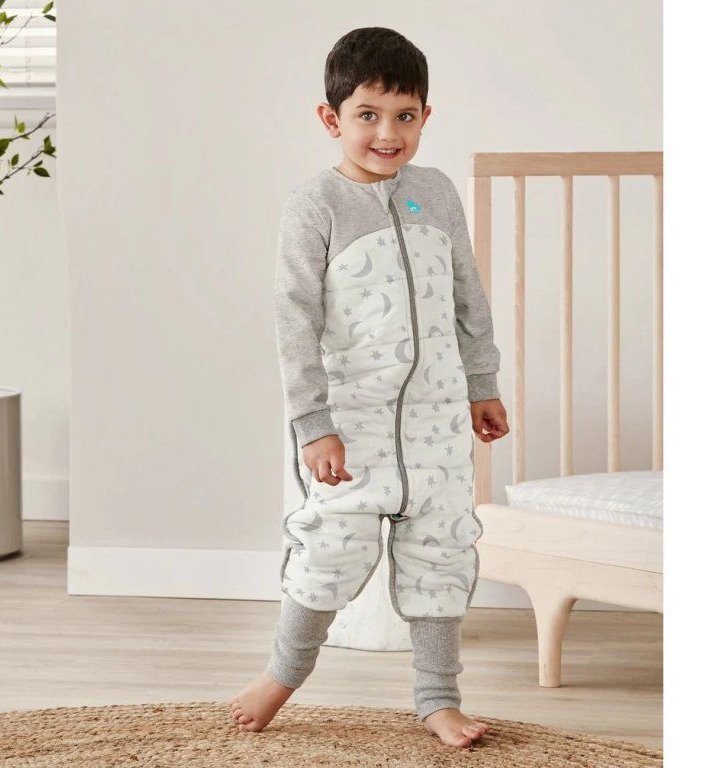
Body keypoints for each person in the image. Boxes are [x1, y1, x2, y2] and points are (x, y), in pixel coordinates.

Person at [230, 26, 509, 749]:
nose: (388, 133)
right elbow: (294, 321)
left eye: (405, 115)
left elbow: (467, 294)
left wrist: (481, 382)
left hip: (437, 420)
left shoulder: (435, 193)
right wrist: (313, 423)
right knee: (330, 551)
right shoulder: (315, 205)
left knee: (441, 553)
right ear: (332, 119)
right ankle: (281, 675)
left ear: (425, 116)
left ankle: (438, 699)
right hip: (351, 424)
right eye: (368, 115)